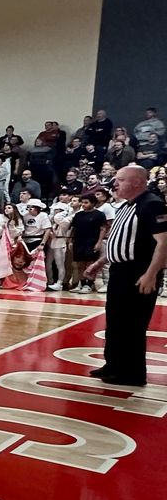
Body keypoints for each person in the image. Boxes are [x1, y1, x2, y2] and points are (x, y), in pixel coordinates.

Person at [84, 165, 166, 386]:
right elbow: (120, 241)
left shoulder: (152, 204)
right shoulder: (124, 206)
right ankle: (113, 365)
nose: (115, 184)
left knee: (133, 324)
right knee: (115, 321)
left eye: (120, 180)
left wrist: (151, 274)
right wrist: (100, 262)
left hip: (138, 271)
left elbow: (163, 243)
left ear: (138, 182)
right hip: (119, 271)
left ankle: (132, 374)